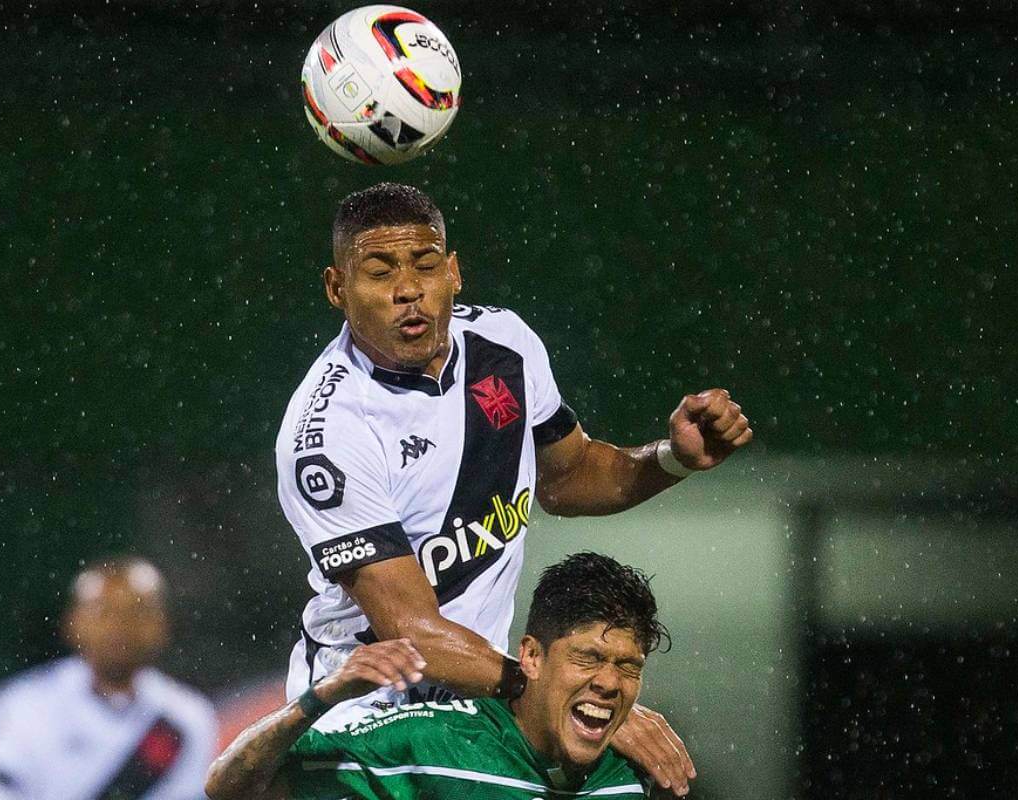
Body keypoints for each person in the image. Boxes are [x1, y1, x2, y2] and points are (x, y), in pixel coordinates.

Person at [273, 182, 752, 796]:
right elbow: (410, 630)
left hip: (483, 701)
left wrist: (672, 461)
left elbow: (571, 476)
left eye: (425, 266)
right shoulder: (327, 430)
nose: (407, 290)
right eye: (378, 271)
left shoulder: (507, 347)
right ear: (337, 289)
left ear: (454, 271)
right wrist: (558, 696)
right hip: (364, 714)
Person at [206, 552, 668, 800]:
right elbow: (230, 787)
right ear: (531, 656)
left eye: (629, 667)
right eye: (587, 658)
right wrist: (319, 698)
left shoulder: (637, 771)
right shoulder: (430, 742)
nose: (609, 682)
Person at [0, 557, 218, 800]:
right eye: (104, 612)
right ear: (73, 622)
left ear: (162, 624)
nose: (120, 625)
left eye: (137, 612)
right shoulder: (20, 706)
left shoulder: (190, 718)